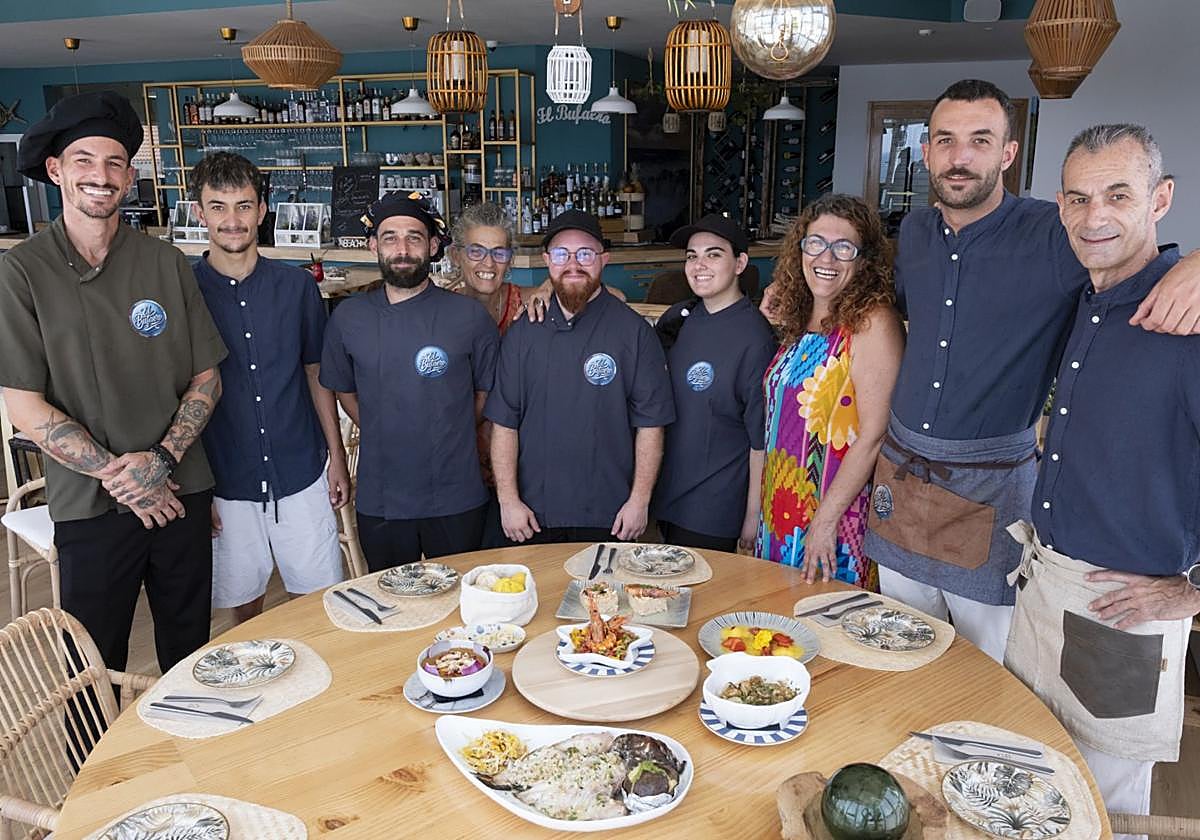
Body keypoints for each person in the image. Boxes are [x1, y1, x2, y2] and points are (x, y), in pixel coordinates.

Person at [862, 79, 1200, 663]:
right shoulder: (913, 233)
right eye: (944, 140)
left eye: (980, 140)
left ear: (1008, 154)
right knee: (896, 650)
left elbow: (1135, 254)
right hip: (901, 476)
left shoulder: (1061, 232)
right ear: (926, 152)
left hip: (991, 489)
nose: (959, 156)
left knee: (988, 668)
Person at [1004, 124, 1200, 827]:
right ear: (1059, 205)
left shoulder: (1187, 320)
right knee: (1030, 780)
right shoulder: (1090, 304)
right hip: (1044, 587)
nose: (1096, 218)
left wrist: (1192, 592)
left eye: (1119, 194)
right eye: (1080, 198)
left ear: (1161, 199)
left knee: (1106, 809)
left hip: (1123, 609)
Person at [0, 91, 227, 674]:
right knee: (93, 663)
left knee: (189, 645)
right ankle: (97, 767)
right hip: (90, 504)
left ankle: (192, 753)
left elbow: (206, 378)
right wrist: (121, 477)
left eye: (114, 163)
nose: (100, 177)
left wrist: (160, 461)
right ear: (55, 171)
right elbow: (24, 404)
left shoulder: (165, 262)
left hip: (180, 489)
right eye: (84, 161)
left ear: (129, 176)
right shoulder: (22, 272)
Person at [190, 152, 349, 623]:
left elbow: (315, 373)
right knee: (243, 609)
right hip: (225, 476)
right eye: (218, 207)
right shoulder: (183, 290)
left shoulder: (297, 287)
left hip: (301, 468)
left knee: (321, 607)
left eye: (243, 206)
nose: (232, 220)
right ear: (199, 213)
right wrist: (194, 487)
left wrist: (336, 458)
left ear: (262, 211)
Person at [320, 192, 498, 570]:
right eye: (390, 238)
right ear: (373, 246)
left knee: (462, 602)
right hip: (382, 498)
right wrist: (381, 426)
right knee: (391, 603)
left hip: (457, 494)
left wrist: (449, 427)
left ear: (433, 246)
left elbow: (486, 392)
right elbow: (342, 389)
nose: (402, 248)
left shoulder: (468, 316)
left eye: (414, 237)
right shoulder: (349, 318)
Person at [485, 210, 674, 544]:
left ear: (604, 260)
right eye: (561, 254)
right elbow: (505, 424)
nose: (573, 264)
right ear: (547, 261)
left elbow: (651, 424)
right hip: (532, 514)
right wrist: (508, 500)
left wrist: (639, 501)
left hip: (611, 514)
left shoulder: (634, 333)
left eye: (585, 254)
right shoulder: (524, 332)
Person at [757, 194, 903, 588]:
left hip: (835, 515)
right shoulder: (800, 318)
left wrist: (825, 520)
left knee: (826, 628)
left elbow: (874, 434)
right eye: (816, 243)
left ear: (864, 259)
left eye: (843, 247)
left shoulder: (872, 323)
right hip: (780, 509)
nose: (827, 258)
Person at [652, 214, 777, 552]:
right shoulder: (680, 319)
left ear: (740, 263)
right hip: (668, 496)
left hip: (714, 507)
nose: (699, 265)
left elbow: (760, 441)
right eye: (692, 256)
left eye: (713, 254)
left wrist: (753, 516)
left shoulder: (755, 339)